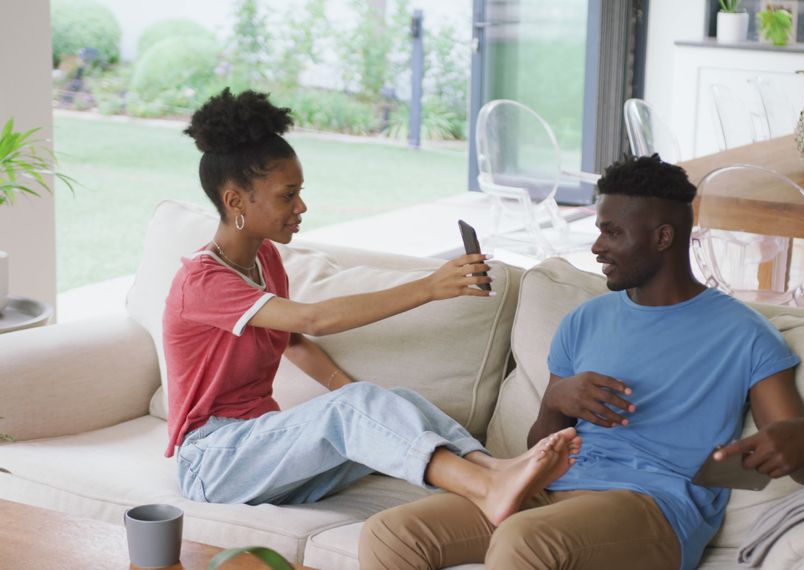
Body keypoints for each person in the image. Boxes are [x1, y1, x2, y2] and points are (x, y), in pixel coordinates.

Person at [357, 154, 804, 570]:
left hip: (652, 506)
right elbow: (539, 443)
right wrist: (557, 403)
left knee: (524, 542)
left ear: (663, 237)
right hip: (545, 487)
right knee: (390, 534)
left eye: (612, 232)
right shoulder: (583, 320)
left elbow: (800, 455)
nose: (596, 247)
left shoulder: (744, 334)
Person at [163, 88, 579, 526]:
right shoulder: (203, 282)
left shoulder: (264, 259)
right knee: (354, 407)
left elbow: (294, 342)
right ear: (236, 202)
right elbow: (313, 319)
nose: (301, 206)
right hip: (212, 462)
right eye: (288, 195)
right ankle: (486, 489)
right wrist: (429, 287)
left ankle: (495, 469)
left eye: (299, 192)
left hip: (261, 457)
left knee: (393, 401)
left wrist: (350, 392)